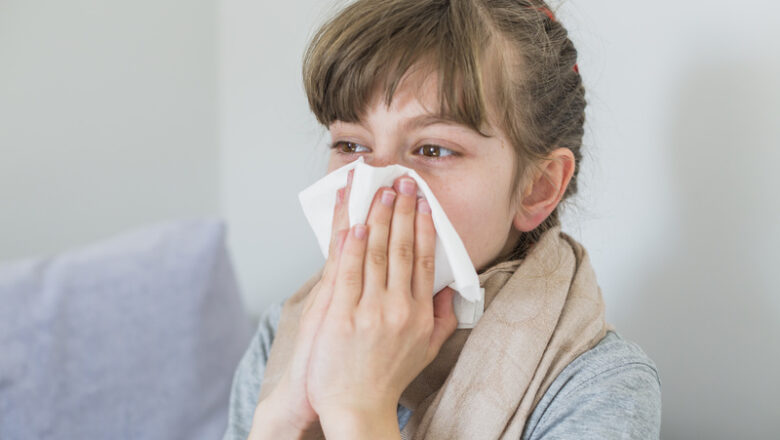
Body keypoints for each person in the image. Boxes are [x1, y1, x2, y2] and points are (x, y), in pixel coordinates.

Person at [224, 0, 662, 438]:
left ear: (538, 187)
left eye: (433, 150)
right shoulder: (285, 334)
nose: (377, 186)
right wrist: (282, 417)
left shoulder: (599, 386)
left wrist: (357, 406)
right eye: (351, 145)